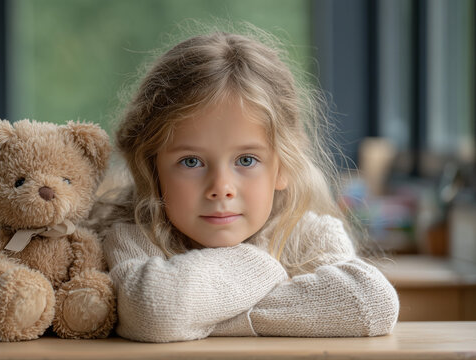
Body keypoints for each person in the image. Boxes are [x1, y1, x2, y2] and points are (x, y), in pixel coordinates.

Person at [99, 27, 399, 343]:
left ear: (283, 165)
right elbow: (156, 312)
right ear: (151, 167)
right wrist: (261, 266)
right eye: (191, 161)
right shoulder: (132, 238)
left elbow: (372, 304)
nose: (221, 187)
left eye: (246, 160)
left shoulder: (309, 235)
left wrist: (209, 315)